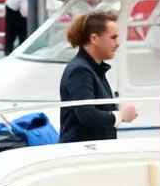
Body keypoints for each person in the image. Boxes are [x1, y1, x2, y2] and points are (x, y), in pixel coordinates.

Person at [59, 10, 138, 143]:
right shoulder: (79, 70)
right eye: (113, 37)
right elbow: (87, 115)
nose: (117, 43)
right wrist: (120, 116)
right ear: (94, 39)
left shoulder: (93, 69)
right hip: (83, 154)